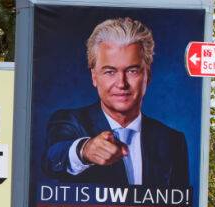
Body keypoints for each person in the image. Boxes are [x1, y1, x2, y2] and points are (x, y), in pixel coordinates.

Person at [42, 17, 190, 188]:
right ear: (94, 76)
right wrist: (85, 150)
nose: (121, 83)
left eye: (132, 71)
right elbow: (52, 158)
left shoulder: (172, 141)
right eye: (110, 72)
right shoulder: (69, 121)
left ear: (147, 75)